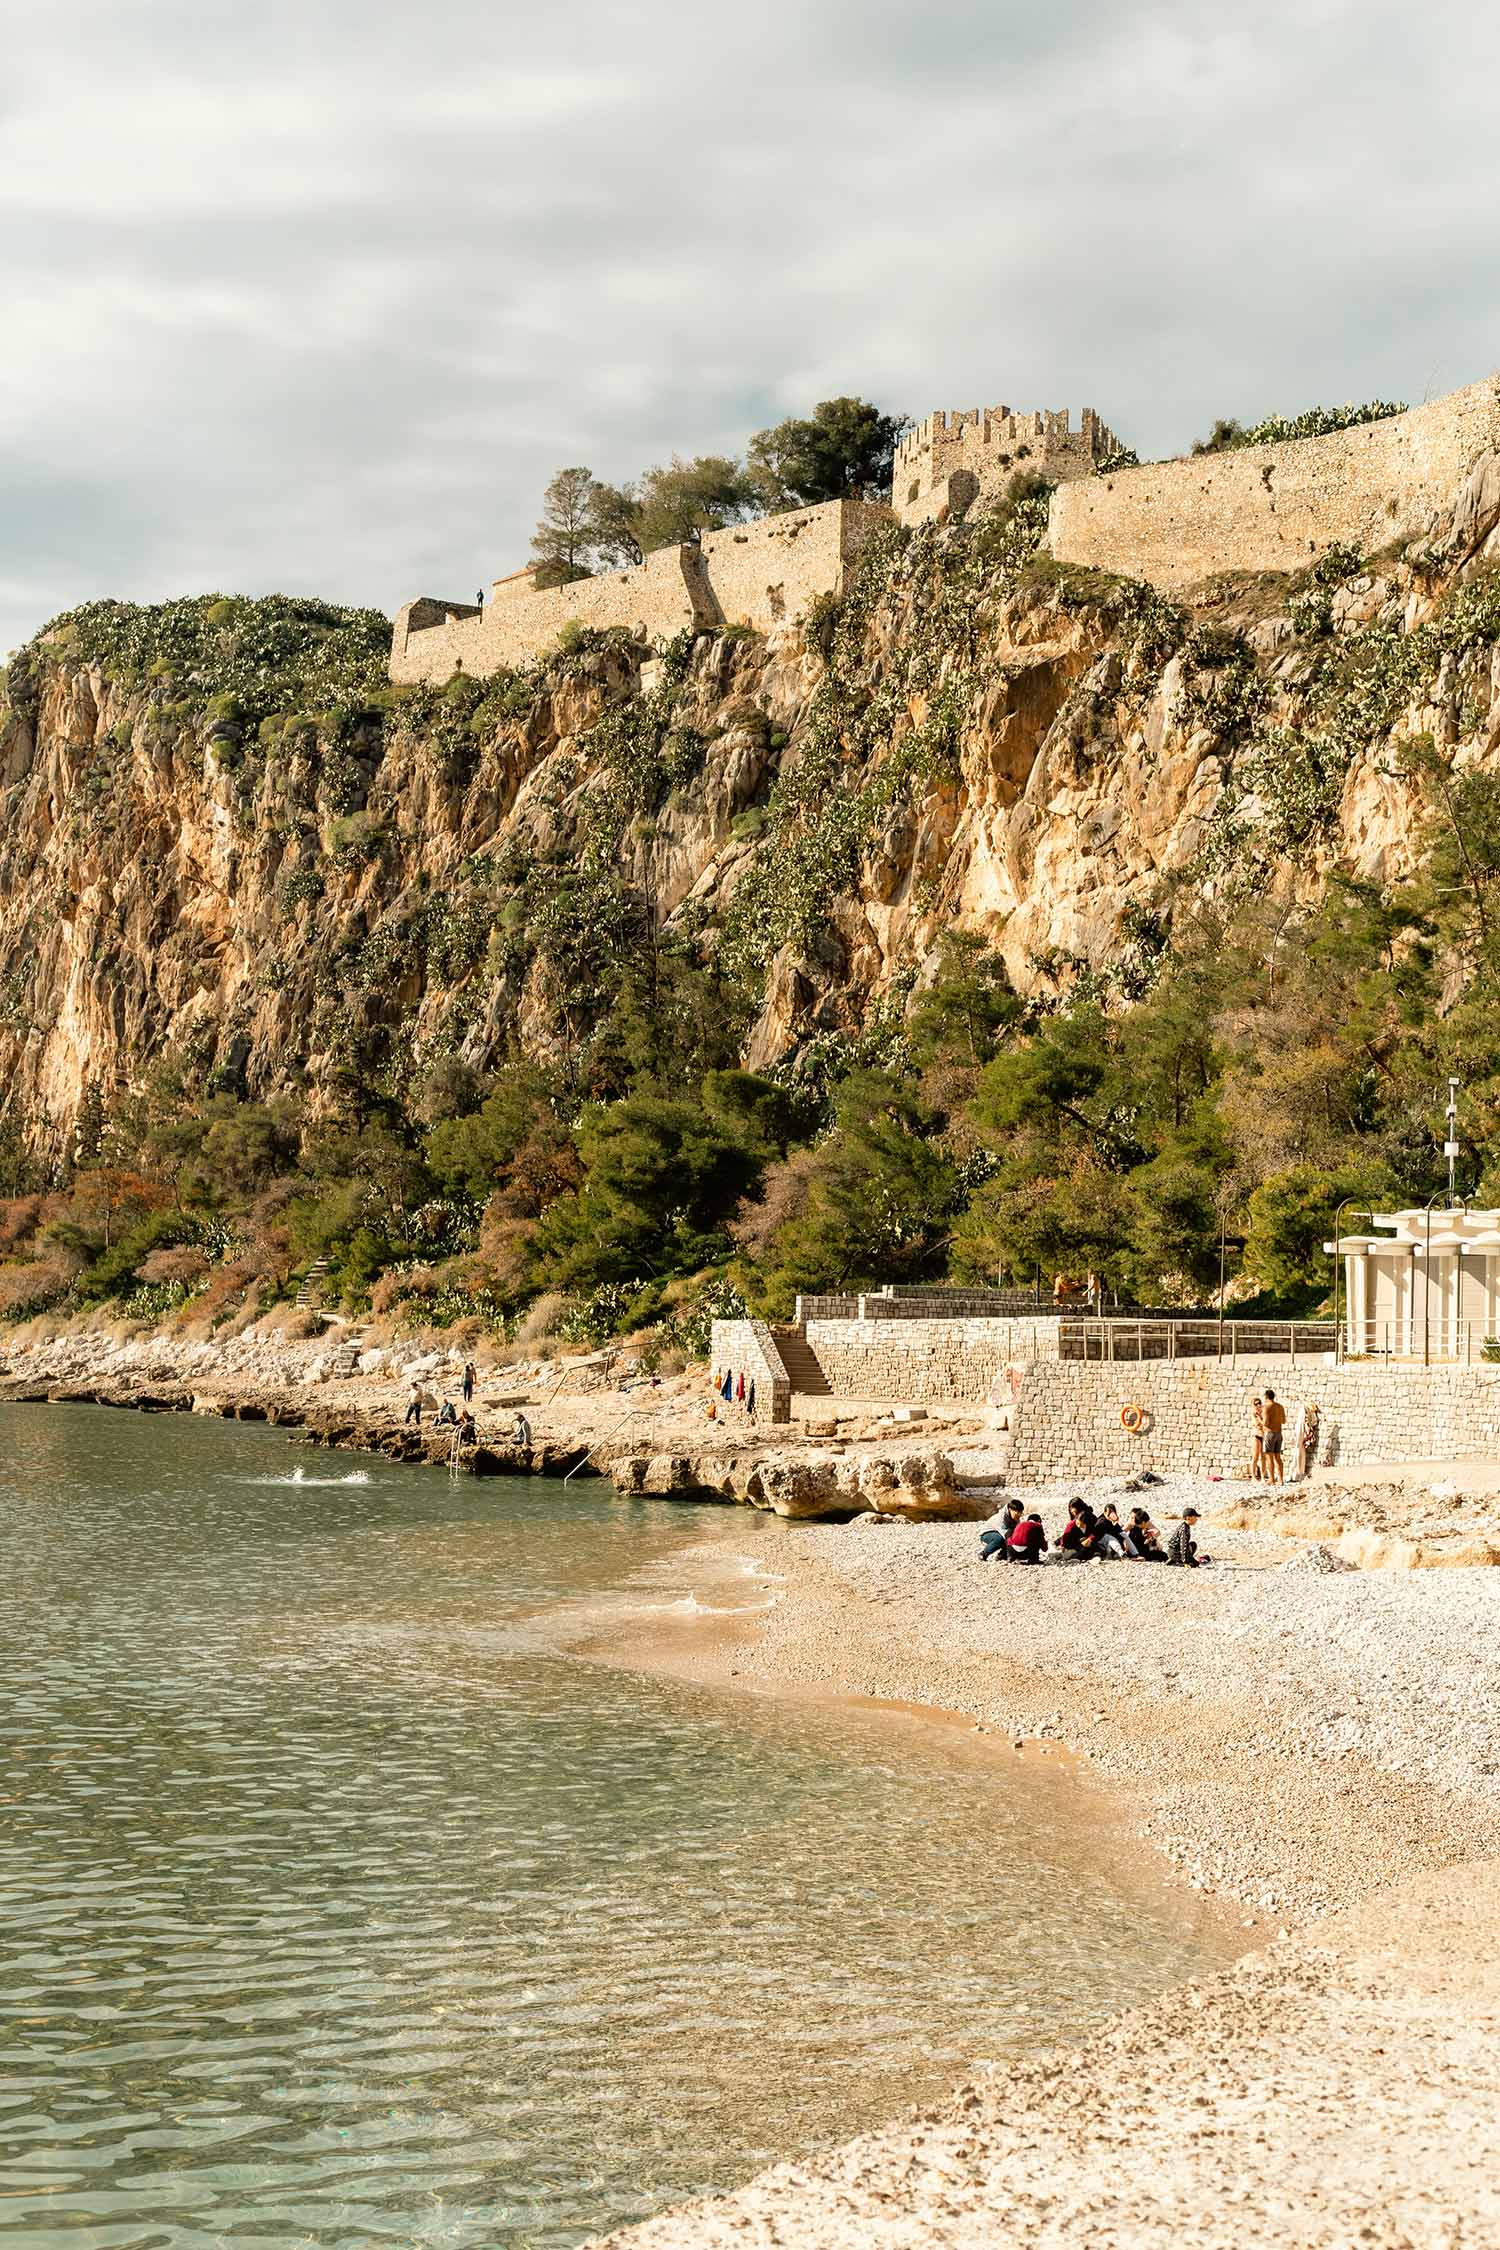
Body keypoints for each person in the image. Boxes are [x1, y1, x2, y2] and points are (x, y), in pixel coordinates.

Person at [1262, 1389, 1287, 1485]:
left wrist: (1260, 1420)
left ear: (1266, 1397)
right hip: (1279, 1433)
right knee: (1278, 1457)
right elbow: (1283, 1421)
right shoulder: (1280, 1407)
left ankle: (1272, 1479)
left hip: (1270, 1433)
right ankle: (1280, 1479)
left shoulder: (1266, 1407)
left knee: (1269, 1457)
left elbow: (1265, 1423)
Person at [1296, 1399, 1321, 1481]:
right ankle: (1299, 1472)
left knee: (1299, 1453)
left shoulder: (1304, 1413)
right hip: (1301, 1436)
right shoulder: (1306, 1414)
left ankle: (1298, 1472)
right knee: (1300, 1453)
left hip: (1300, 1437)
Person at [1250, 1392, 1265, 1480]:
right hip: (1257, 1435)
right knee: (1255, 1456)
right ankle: (1253, 1476)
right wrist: (1260, 1420)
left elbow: (1265, 1423)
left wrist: (1260, 1420)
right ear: (1253, 1405)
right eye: (1256, 1404)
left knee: (1263, 1457)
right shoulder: (1253, 1414)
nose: (1258, 1405)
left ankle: (1263, 1476)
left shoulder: (1263, 1413)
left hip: (1264, 1436)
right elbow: (1257, 1424)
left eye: (1259, 1403)